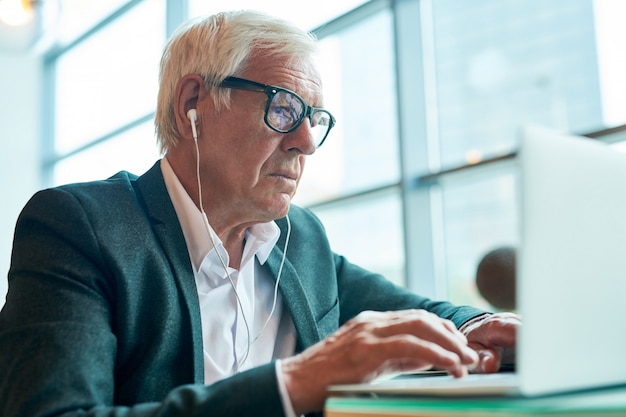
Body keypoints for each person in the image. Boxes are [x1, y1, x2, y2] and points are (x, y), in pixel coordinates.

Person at [0, 10, 520, 417]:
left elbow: (406, 312)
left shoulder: (299, 238)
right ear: (193, 104)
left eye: (314, 119)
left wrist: (482, 324)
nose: (306, 143)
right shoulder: (80, 226)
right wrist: (297, 381)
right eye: (284, 108)